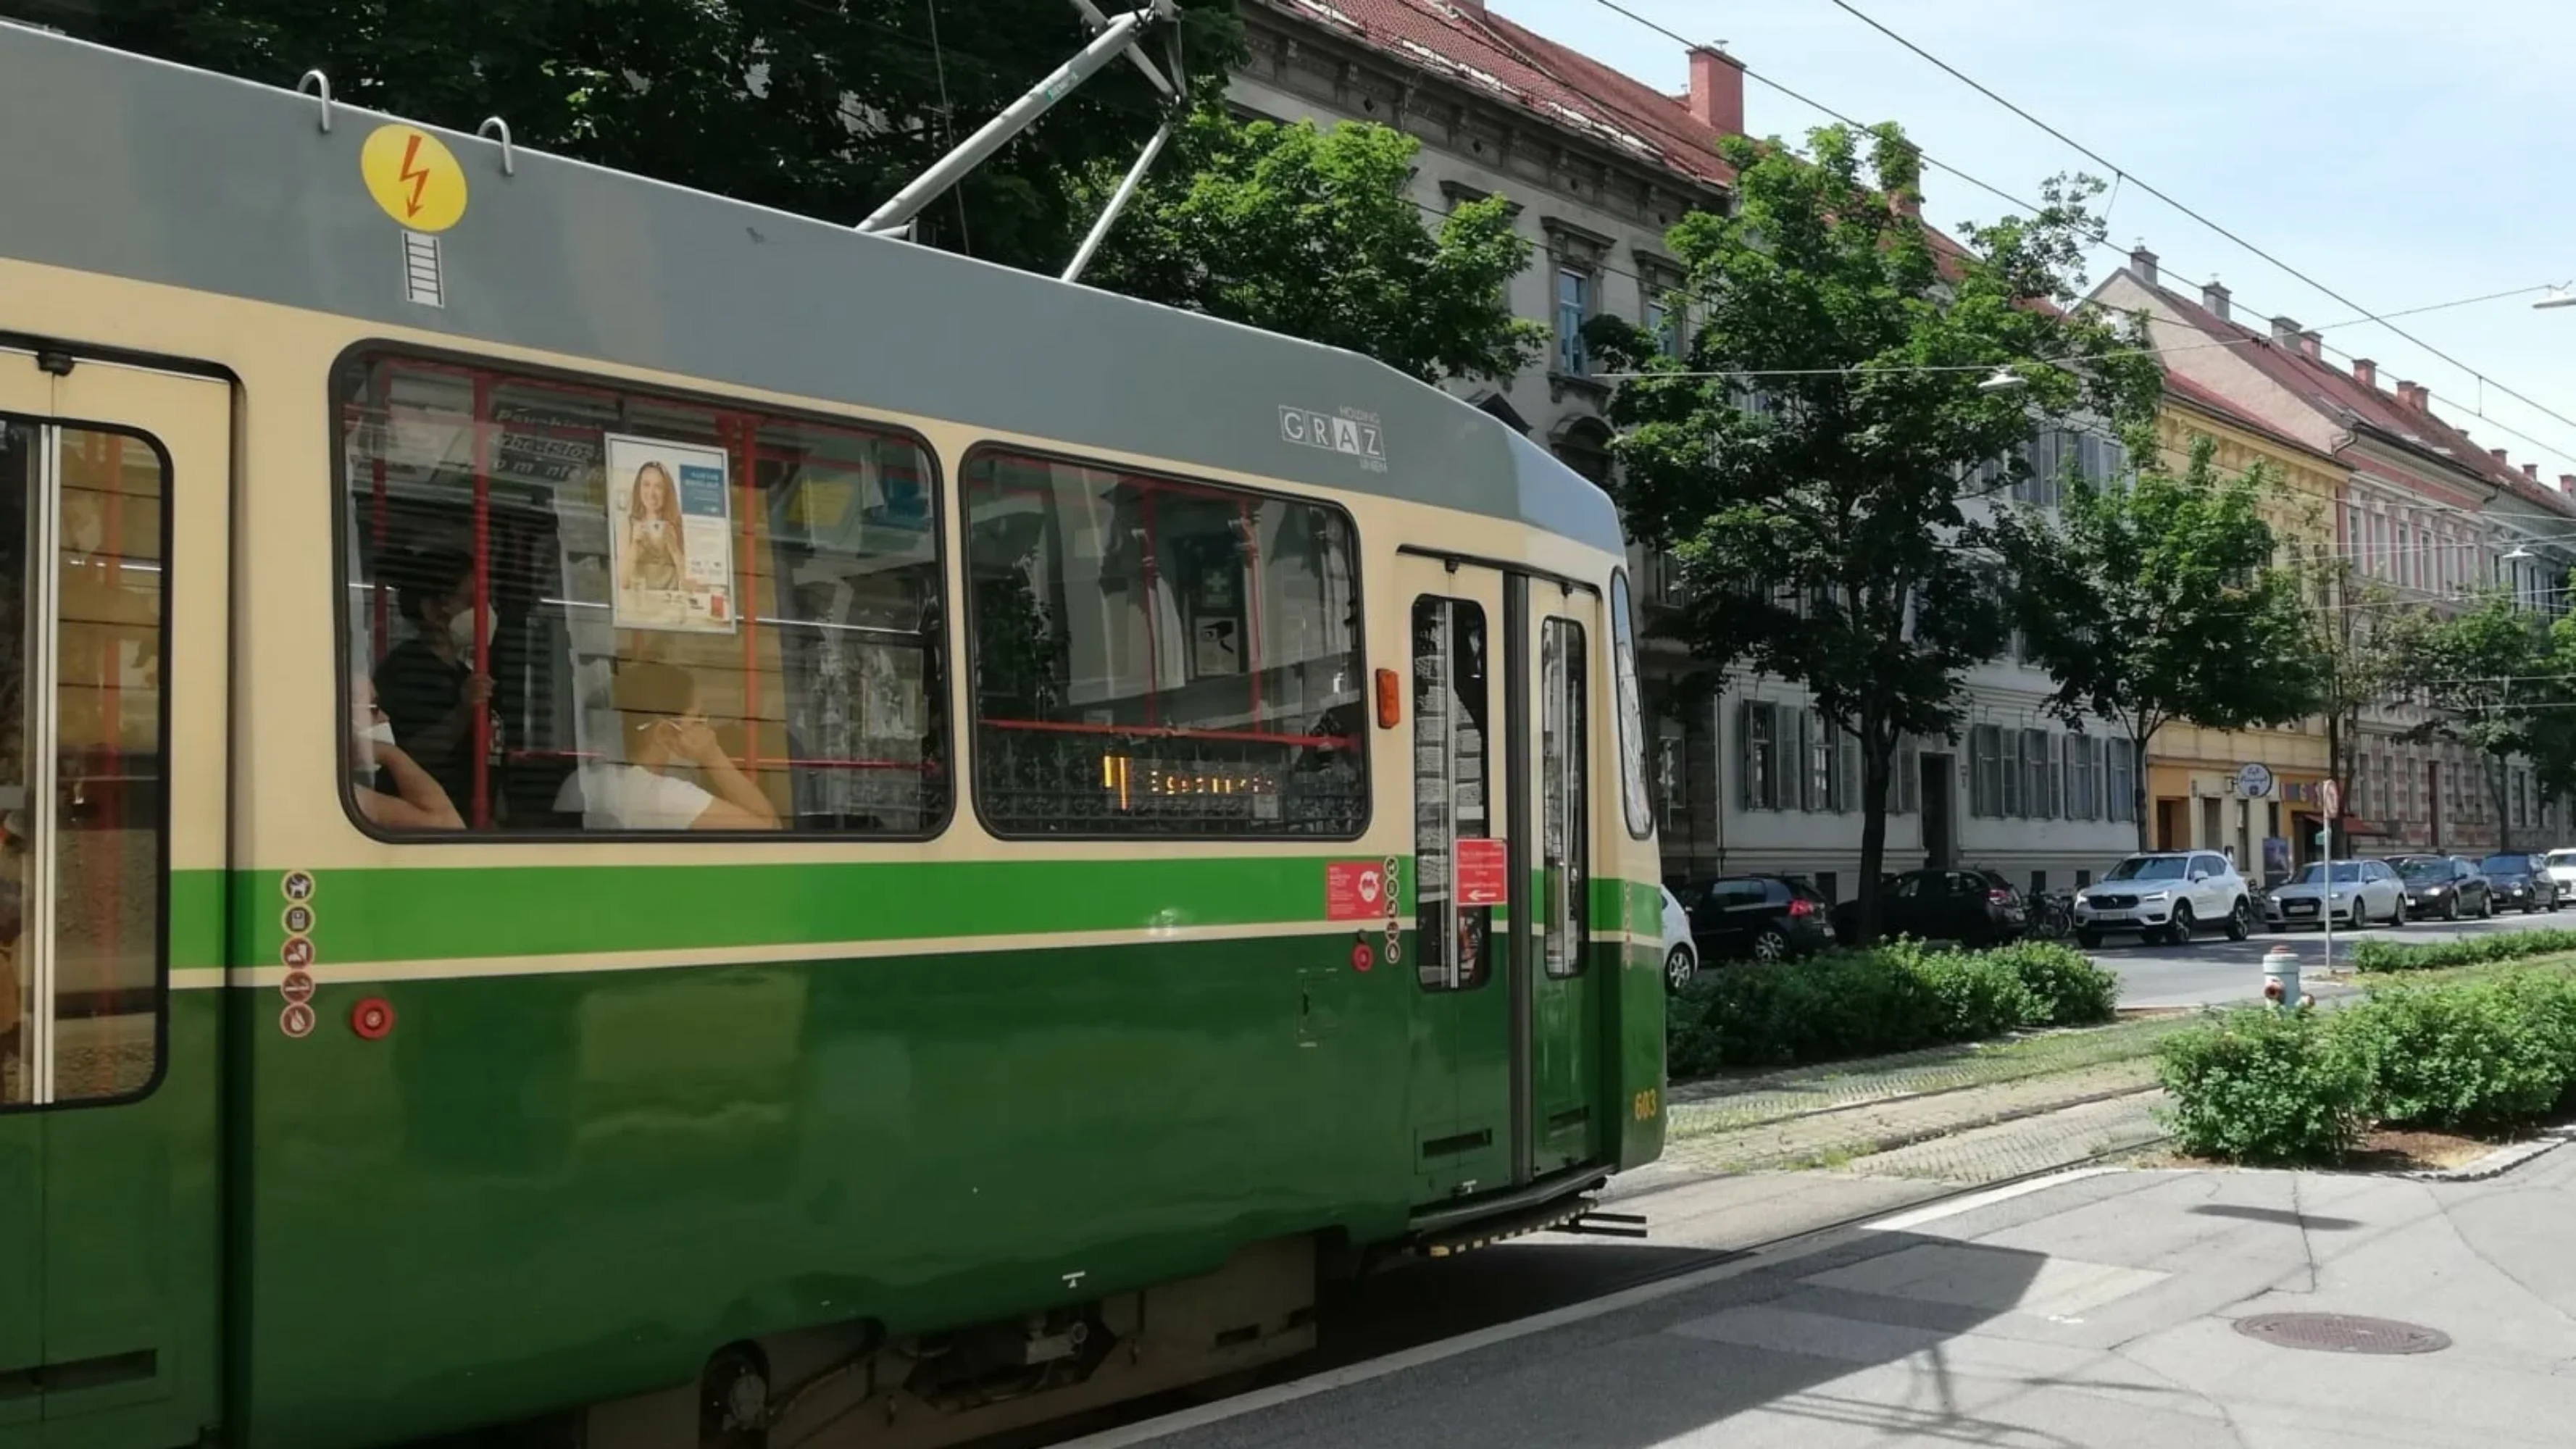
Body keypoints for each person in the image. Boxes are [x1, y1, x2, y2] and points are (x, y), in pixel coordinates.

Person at [557, 661, 778, 831]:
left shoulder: (581, 781)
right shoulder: (669, 798)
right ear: (664, 732)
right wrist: (713, 757)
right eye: (698, 719)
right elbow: (770, 828)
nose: (708, 730)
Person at [373, 549, 494, 822]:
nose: (483, 614)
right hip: (423, 824)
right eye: (470, 602)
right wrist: (464, 709)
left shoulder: (465, 674)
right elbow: (409, 756)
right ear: (432, 609)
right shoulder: (405, 669)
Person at [351, 673, 464, 830]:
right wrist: (391, 754)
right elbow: (447, 824)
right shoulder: (349, 798)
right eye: (374, 708)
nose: (385, 717)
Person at [622, 462, 688, 595]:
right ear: (639, 488)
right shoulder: (629, 524)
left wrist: (674, 548)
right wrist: (635, 545)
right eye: (646, 485)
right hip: (639, 604)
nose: (651, 493)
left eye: (658, 487)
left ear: (667, 492)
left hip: (670, 606)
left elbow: (687, 583)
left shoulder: (677, 524)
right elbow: (623, 582)